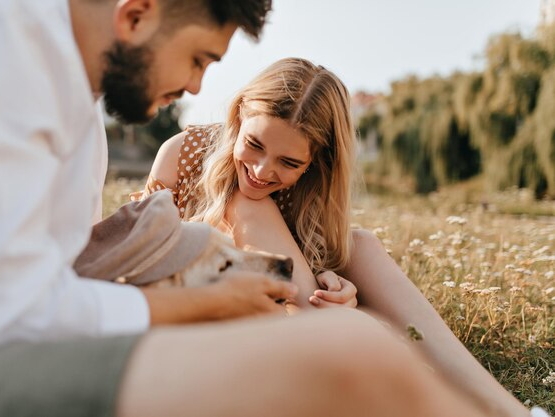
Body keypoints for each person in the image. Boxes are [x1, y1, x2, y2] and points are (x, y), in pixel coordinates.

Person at [0, 0, 543, 416]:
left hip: (7, 345)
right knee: (360, 353)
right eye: (199, 58)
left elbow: (36, 280)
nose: (196, 87)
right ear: (138, 13)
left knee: (363, 330)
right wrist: (202, 297)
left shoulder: (70, 90)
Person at [135, 57, 538, 417]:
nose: (260, 170)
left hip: (284, 302)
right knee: (249, 203)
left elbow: (308, 262)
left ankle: (506, 409)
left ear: (316, 160)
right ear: (239, 116)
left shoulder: (313, 191)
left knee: (361, 245)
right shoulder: (183, 152)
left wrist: (336, 287)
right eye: (254, 144)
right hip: (201, 301)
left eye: (289, 162)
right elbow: (140, 255)